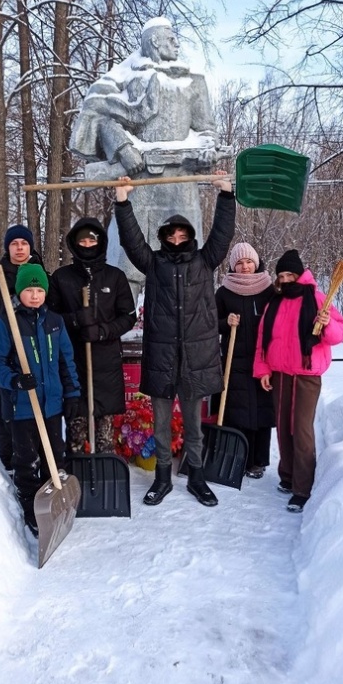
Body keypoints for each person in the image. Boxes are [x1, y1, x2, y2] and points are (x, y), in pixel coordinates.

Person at [70, 16, 232, 299]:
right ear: (155, 42)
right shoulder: (125, 79)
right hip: (138, 183)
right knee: (127, 260)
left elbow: (206, 129)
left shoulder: (193, 82)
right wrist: (123, 148)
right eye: (171, 39)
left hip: (180, 185)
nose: (177, 44)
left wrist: (207, 148)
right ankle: (122, 322)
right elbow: (101, 116)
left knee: (185, 263)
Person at [114, 171, 236, 507]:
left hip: (195, 358)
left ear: (190, 236)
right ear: (165, 237)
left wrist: (226, 196)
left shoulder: (204, 261)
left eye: (183, 233)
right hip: (163, 357)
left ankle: (196, 477)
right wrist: (123, 202)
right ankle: (163, 477)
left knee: (195, 425)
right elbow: (131, 241)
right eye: (172, 234)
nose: (178, 238)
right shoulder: (153, 264)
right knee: (162, 423)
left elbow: (223, 236)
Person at [0, 263, 80, 535]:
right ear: (19, 291)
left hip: (51, 405)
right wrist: (14, 380)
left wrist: (72, 393)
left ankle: (53, 503)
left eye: (39, 289)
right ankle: (29, 504)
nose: (35, 295)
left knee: (55, 456)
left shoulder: (55, 322)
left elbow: (66, 361)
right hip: (22, 407)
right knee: (27, 460)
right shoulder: (5, 323)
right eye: (29, 289)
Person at [254, 249, 343, 513]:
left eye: (290, 274)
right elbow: (264, 339)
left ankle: (302, 488)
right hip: (280, 374)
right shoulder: (275, 302)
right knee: (283, 428)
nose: (285, 280)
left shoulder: (317, 298)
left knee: (301, 429)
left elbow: (340, 333)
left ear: (299, 274)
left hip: (306, 375)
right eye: (281, 275)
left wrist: (327, 323)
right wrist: (262, 370)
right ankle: (287, 476)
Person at [47, 218, 136, 454]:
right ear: (74, 244)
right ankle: (77, 474)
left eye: (92, 240)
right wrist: (76, 320)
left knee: (105, 435)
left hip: (106, 363)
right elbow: (49, 318)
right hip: (73, 362)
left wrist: (103, 330)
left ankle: (105, 473)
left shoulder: (114, 277)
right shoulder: (61, 277)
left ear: (101, 242)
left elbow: (128, 316)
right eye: (82, 240)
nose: (87, 244)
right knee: (76, 430)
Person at [0, 224, 44, 471]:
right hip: (4, 357)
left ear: (31, 246)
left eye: (24, 243)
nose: (20, 248)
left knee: (39, 413)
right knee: (8, 414)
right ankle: (10, 469)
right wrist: (6, 318)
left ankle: (41, 467)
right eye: (14, 243)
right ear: (7, 247)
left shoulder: (41, 277)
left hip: (36, 356)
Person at [215, 242, 276, 479]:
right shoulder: (224, 292)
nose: (245, 267)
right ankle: (238, 458)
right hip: (234, 360)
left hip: (263, 360)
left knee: (262, 410)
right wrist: (225, 323)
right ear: (232, 266)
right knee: (237, 411)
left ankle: (258, 460)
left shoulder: (268, 290)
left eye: (249, 261)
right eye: (239, 263)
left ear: (257, 262)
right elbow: (211, 321)